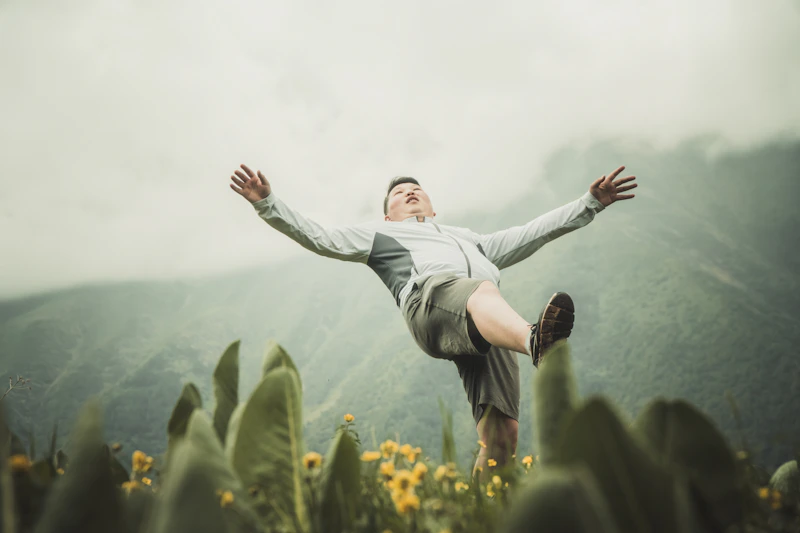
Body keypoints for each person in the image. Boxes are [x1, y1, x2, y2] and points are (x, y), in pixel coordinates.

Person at [229, 163, 637, 479]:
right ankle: (535, 342)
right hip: (431, 304)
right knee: (483, 291)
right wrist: (267, 203)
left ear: (432, 205)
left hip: (486, 324)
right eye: (399, 194)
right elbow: (319, 236)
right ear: (387, 216)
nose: (409, 193)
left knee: (502, 437)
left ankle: (483, 509)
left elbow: (534, 232)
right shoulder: (380, 235)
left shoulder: (470, 240)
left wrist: (590, 203)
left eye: (415, 190)